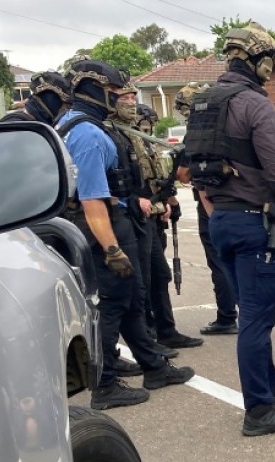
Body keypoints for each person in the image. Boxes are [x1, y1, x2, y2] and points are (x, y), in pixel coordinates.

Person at [186, 21, 275, 436]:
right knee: (256, 322)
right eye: (270, 63)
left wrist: (215, 210)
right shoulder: (255, 104)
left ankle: (271, 389)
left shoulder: (206, 102)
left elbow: (194, 172)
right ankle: (259, 410)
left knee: (250, 314)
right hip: (255, 224)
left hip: (221, 220)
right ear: (259, 62)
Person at [55, 59, 194, 410]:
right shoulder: (88, 134)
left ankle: (153, 366)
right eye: (115, 92)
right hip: (102, 225)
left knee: (133, 297)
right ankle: (104, 386)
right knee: (113, 304)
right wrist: (112, 248)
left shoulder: (71, 124)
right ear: (96, 90)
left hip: (104, 220)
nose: (120, 98)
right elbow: (92, 200)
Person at [109, 86, 203, 353]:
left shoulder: (135, 136)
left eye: (132, 98)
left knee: (158, 276)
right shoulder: (113, 133)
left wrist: (165, 201)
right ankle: (147, 335)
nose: (130, 103)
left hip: (151, 213)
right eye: (124, 98)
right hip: (131, 213)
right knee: (141, 283)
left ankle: (165, 330)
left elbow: (153, 174)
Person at [173, 82, 238, 336]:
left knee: (218, 261)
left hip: (210, 202)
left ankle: (226, 316)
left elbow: (184, 174)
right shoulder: (230, 125)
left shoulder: (197, 133)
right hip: (238, 199)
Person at [0, 71, 71, 125]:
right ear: (52, 101)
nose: (65, 110)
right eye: (64, 105)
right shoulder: (19, 127)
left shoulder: (33, 124)